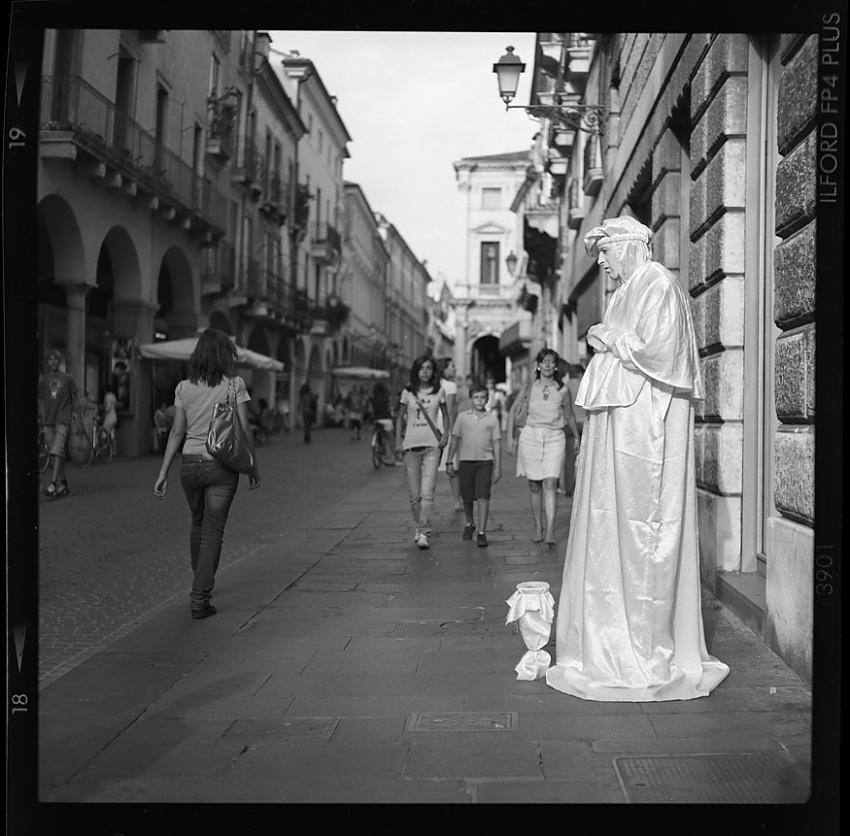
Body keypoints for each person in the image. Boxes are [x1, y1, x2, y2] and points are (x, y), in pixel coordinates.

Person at [545, 215, 730, 702]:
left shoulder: (658, 284)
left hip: (643, 434)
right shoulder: (627, 290)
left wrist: (610, 338)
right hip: (621, 430)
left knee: (641, 529)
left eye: (606, 252)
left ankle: (644, 648)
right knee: (611, 529)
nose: (601, 263)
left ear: (628, 246)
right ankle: (608, 635)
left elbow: (663, 356)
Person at [153, 328, 260, 620]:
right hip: (221, 465)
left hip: (189, 464)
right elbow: (245, 428)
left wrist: (163, 472)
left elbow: (177, 432)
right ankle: (200, 597)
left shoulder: (182, 388)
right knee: (213, 530)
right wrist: (252, 465)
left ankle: (201, 577)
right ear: (225, 356)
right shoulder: (234, 385)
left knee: (198, 523)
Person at [505, 348, 580, 547]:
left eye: (551, 362)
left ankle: (550, 530)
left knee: (551, 483)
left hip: (555, 437)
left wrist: (576, 437)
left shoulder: (563, 389)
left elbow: (570, 415)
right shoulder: (529, 386)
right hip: (530, 436)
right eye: (544, 361)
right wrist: (510, 437)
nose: (547, 365)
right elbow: (514, 410)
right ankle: (538, 527)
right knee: (534, 485)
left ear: (556, 366)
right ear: (538, 365)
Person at [394, 355, 450, 550]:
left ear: (433, 371)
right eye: (421, 368)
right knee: (414, 495)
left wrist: (446, 435)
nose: (425, 371)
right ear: (416, 371)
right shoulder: (407, 392)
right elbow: (399, 417)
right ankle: (420, 525)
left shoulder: (439, 391)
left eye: (428, 368)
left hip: (431, 447)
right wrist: (397, 440)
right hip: (411, 447)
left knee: (427, 493)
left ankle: (424, 532)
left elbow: (445, 414)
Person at [445, 383, 501, 547]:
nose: (479, 400)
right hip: (466, 461)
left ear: (487, 399)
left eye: (483, 397)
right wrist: (449, 460)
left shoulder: (492, 418)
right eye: (476, 397)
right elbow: (455, 439)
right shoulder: (462, 417)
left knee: (483, 496)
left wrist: (497, 467)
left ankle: (482, 531)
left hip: (486, 461)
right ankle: (470, 522)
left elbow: (496, 443)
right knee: (467, 497)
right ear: (471, 399)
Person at [38, 348, 79, 498]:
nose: (53, 361)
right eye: (50, 359)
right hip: (49, 421)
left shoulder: (67, 378)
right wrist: (42, 418)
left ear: (59, 361)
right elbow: (41, 401)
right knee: (56, 453)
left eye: (56, 359)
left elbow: (75, 398)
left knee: (56, 450)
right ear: (47, 362)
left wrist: (78, 420)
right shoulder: (43, 380)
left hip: (63, 419)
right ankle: (63, 483)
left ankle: (53, 484)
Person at [436, 357, 463, 511]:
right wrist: (452, 432)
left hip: (432, 426)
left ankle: (427, 498)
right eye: (452, 366)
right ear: (444, 368)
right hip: (445, 426)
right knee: (452, 466)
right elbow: (450, 410)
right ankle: (456, 501)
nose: (455, 369)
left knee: (430, 466)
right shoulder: (450, 386)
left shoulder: (433, 385)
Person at [558, 363, 586, 497]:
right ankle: (582, 487)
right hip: (585, 424)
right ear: (581, 374)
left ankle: (568, 487)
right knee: (585, 457)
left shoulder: (565, 386)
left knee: (569, 457)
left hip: (569, 425)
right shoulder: (585, 384)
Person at [370, 380, 396, 464]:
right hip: (386, 419)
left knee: (376, 432)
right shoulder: (386, 398)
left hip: (377, 419)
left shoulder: (372, 399)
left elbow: (370, 410)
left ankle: (378, 445)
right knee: (390, 438)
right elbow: (390, 408)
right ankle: (393, 457)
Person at [102, 383, 119, 456]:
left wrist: (103, 409)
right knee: (112, 435)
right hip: (114, 416)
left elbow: (107, 407)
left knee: (103, 433)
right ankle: (114, 451)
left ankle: (103, 451)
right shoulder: (113, 396)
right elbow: (116, 405)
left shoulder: (107, 396)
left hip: (109, 417)